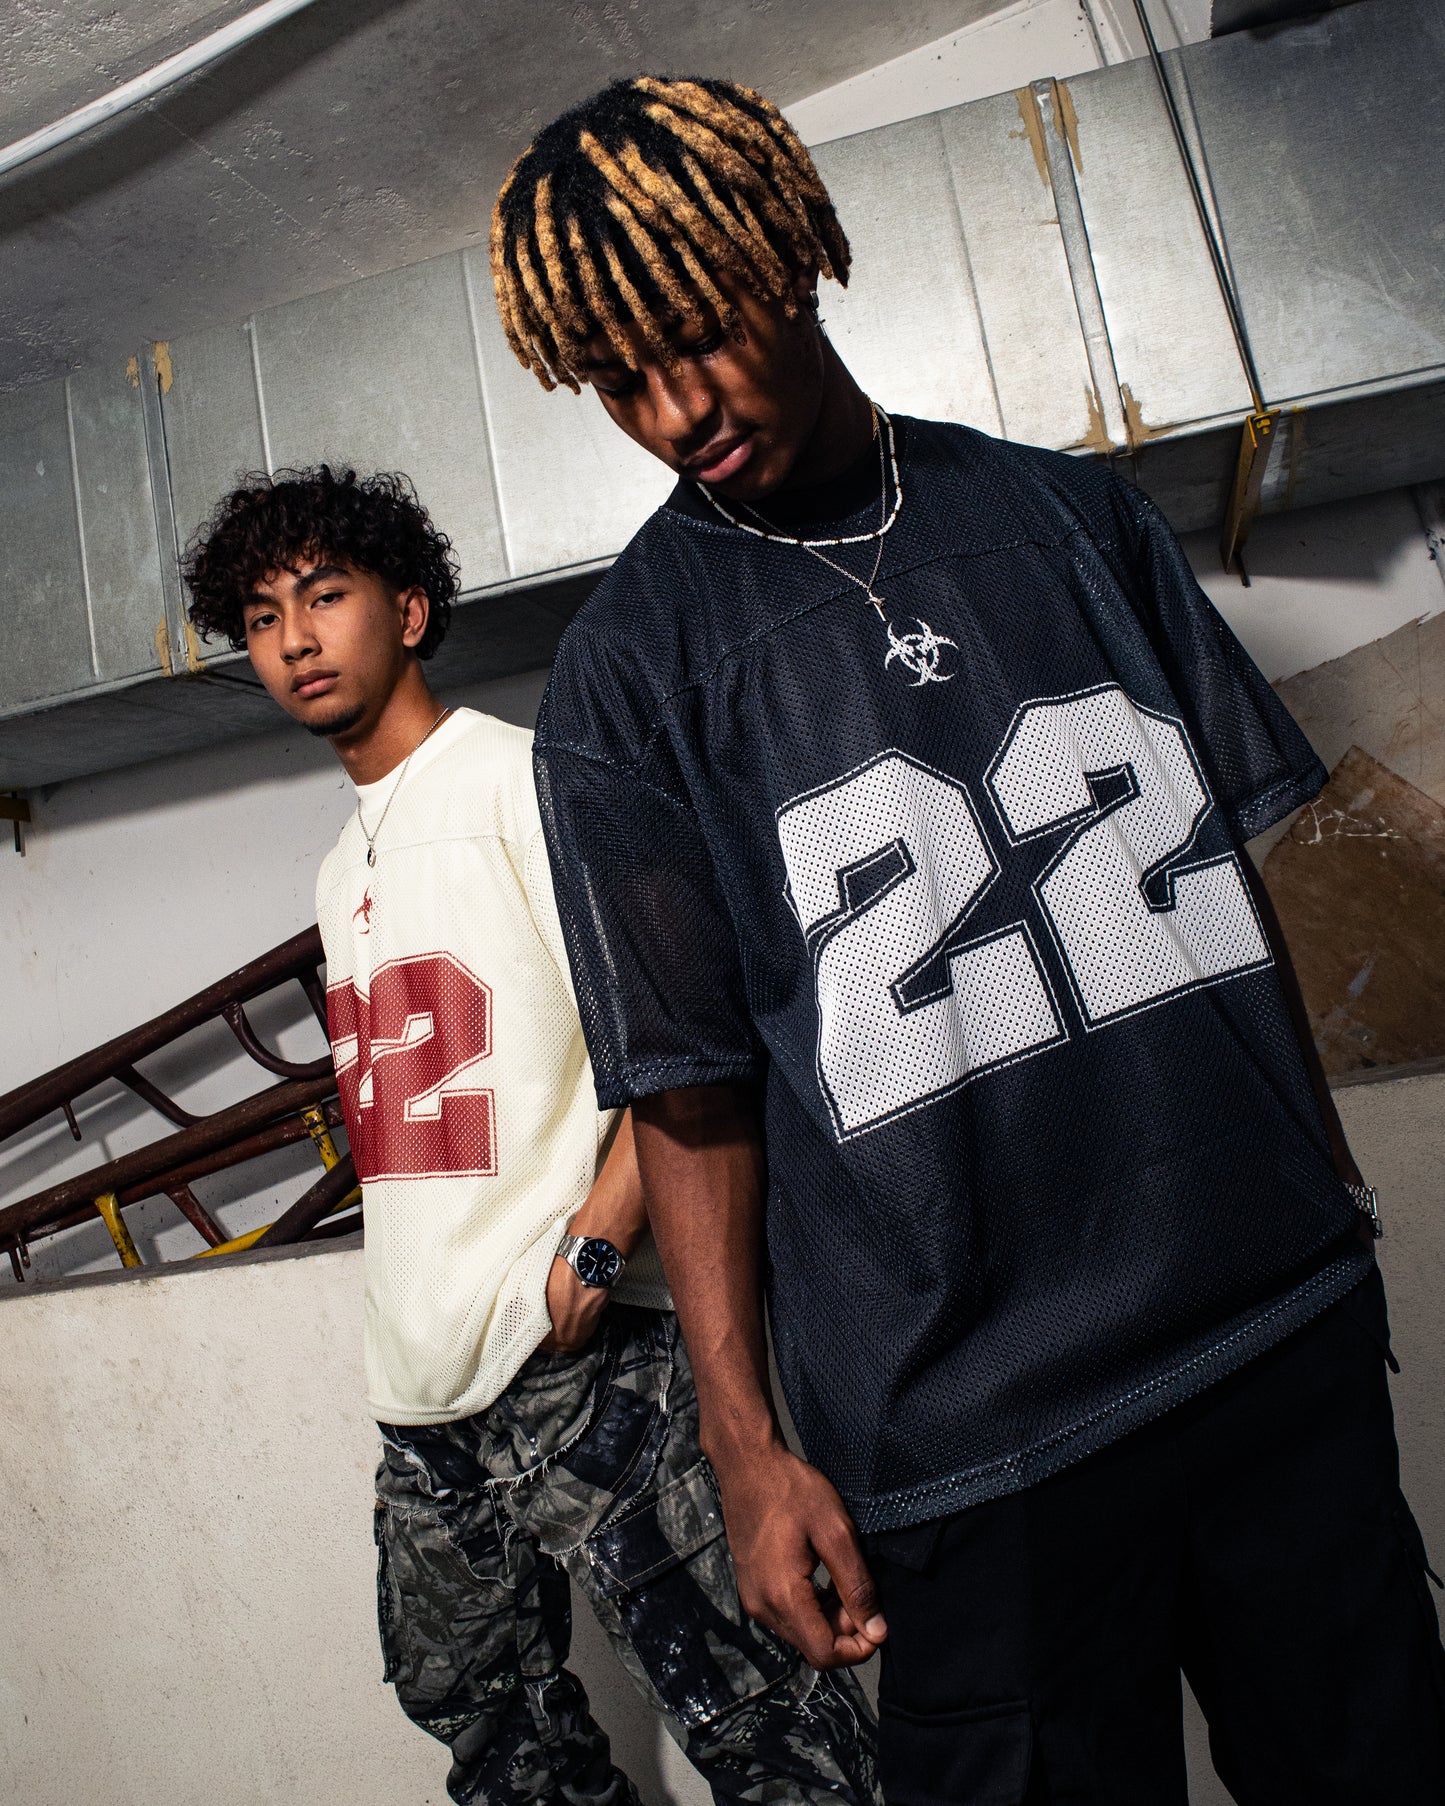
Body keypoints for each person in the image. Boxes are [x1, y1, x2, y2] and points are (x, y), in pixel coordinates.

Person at [494, 74, 1445, 1804]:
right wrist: (743, 1443)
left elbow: (1230, 900)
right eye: (619, 378)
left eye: (693, 335)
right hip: (970, 1445)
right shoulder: (623, 683)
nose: (673, 408)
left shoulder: (1070, 516)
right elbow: (688, 1092)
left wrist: (1328, 1197)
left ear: (788, 256)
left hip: (1265, 1333)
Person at [180, 467, 878, 1806]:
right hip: (422, 1390)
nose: (296, 638)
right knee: (489, 1736)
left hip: (577, 1356)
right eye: (264, 617)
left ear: (409, 610)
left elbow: (687, 1030)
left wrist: (596, 1248)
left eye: (325, 597)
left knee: (762, 1723)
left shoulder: (526, 780)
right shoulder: (338, 866)